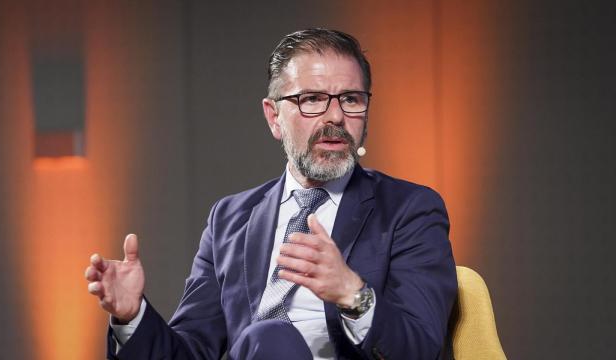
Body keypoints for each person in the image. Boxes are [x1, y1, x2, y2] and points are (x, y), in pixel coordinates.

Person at [85, 28, 457, 360]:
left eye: (351, 99)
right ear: (274, 117)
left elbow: (421, 347)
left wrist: (352, 293)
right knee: (268, 338)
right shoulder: (230, 219)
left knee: (270, 337)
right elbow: (191, 350)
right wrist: (132, 316)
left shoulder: (409, 209)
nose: (336, 117)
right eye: (312, 99)